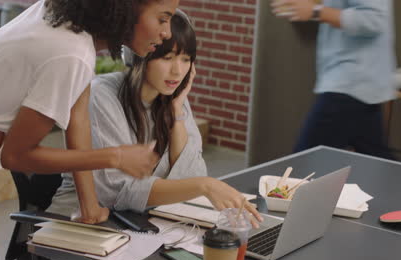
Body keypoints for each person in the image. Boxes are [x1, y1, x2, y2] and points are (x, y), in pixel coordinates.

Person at [0, 0, 180, 260]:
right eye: (162, 19)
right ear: (128, 8)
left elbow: (77, 118)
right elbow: (16, 157)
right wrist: (115, 157)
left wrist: (89, 206)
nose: (167, 32)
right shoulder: (71, 52)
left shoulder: (70, 27)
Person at [48, 10, 264, 228]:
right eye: (167, 58)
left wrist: (176, 114)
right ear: (140, 56)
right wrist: (204, 186)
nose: (177, 71)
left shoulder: (172, 97)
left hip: (137, 223)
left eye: (186, 59)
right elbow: (118, 192)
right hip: (78, 224)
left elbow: (191, 176)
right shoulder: (100, 96)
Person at [272, 0, 396, 159]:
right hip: (358, 84)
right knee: (380, 166)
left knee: (302, 165)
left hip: (350, 82)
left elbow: (374, 19)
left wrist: (316, 11)